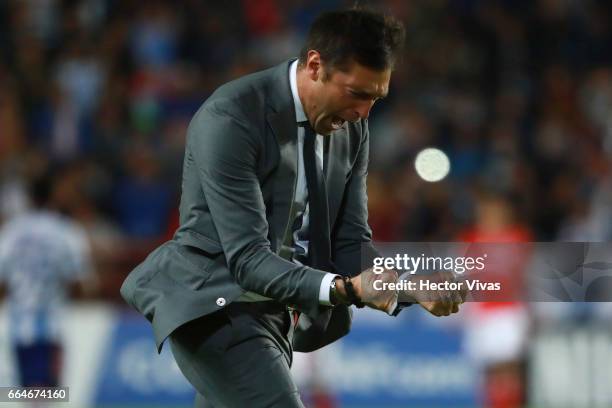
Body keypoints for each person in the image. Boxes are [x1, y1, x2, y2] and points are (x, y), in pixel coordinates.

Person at [121, 7, 463, 407]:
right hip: (215, 306)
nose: (364, 112)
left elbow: (349, 243)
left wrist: (408, 286)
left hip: (274, 317)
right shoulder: (232, 116)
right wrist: (346, 289)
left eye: (376, 98)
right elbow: (247, 259)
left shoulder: (351, 128)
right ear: (315, 65)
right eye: (357, 94)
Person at [0, 173, 96, 387]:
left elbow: (2, 282)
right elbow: (80, 284)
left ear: (29, 199)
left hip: (18, 327)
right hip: (52, 325)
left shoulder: (11, 232)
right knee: (49, 392)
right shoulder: (67, 232)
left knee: (27, 391)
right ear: (54, 197)